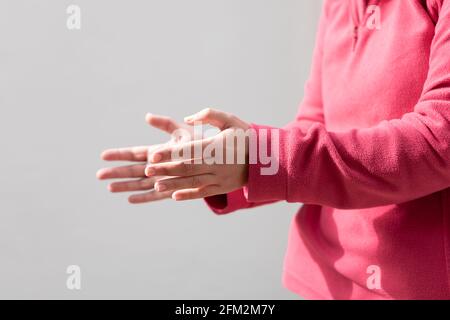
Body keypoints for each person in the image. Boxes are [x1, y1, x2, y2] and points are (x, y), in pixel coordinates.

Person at [97, 0, 450, 299]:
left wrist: (259, 157)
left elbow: (439, 142)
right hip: (319, 281)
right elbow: (313, 128)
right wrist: (217, 162)